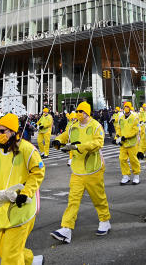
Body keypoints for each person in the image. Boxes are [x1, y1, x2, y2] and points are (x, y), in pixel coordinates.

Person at [0, 113, 45, 265]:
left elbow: (38, 172)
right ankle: (31, 260)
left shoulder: (27, 149)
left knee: (10, 256)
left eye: (3, 131)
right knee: (3, 249)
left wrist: (26, 193)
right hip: (0, 208)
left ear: (13, 132)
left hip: (20, 207)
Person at [50, 101, 110, 243]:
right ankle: (66, 229)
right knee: (73, 200)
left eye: (80, 111)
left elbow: (98, 143)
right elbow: (65, 135)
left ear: (86, 113)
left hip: (93, 169)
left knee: (98, 198)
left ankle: (105, 220)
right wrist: (58, 141)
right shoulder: (73, 126)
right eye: (76, 111)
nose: (77, 114)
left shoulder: (96, 126)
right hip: (77, 171)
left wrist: (79, 147)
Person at [115, 101, 141, 185]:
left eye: (127, 106)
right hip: (123, 143)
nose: (126, 108)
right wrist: (117, 137)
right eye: (125, 106)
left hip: (132, 143)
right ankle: (125, 176)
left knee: (133, 160)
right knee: (122, 159)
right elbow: (119, 128)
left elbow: (135, 130)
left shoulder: (134, 117)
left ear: (130, 108)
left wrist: (126, 136)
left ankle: (136, 175)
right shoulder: (121, 118)